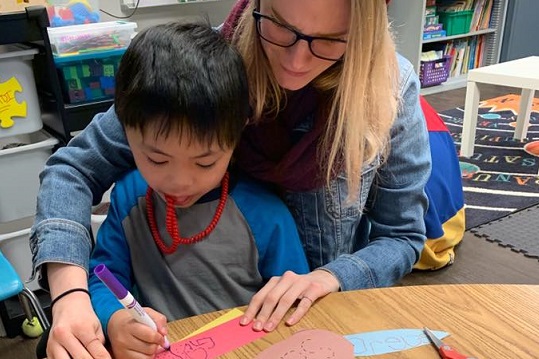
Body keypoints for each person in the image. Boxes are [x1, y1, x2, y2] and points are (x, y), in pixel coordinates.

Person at [30, 0, 463, 358]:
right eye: (279, 26)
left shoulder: (388, 85)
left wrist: (331, 277)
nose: (296, 61)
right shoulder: (201, 70)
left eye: (331, 40)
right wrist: (71, 298)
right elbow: (73, 169)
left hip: (309, 328)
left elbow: (402, 237)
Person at [82, 22, 309, 359]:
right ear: (126, 132)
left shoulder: (264, 214)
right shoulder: (129, 197)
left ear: (235, 140)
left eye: (204, 163)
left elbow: (294, 306)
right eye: (157, 160)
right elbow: (104, 279)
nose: (179, 182)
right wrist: (114, 319)